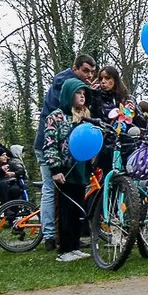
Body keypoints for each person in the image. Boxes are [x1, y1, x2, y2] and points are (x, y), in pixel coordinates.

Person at [43, 77, 92, 262]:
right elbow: (50, 144)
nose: (82, 96)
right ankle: (64, 250)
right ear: (69, 94)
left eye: (83, 93)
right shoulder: (55, 117)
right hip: (64, 170)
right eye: (78, 93)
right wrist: (55, 169)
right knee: (66, 210)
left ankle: (75, 246)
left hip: (81, 170)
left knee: (78, 209)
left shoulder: (85, 116)